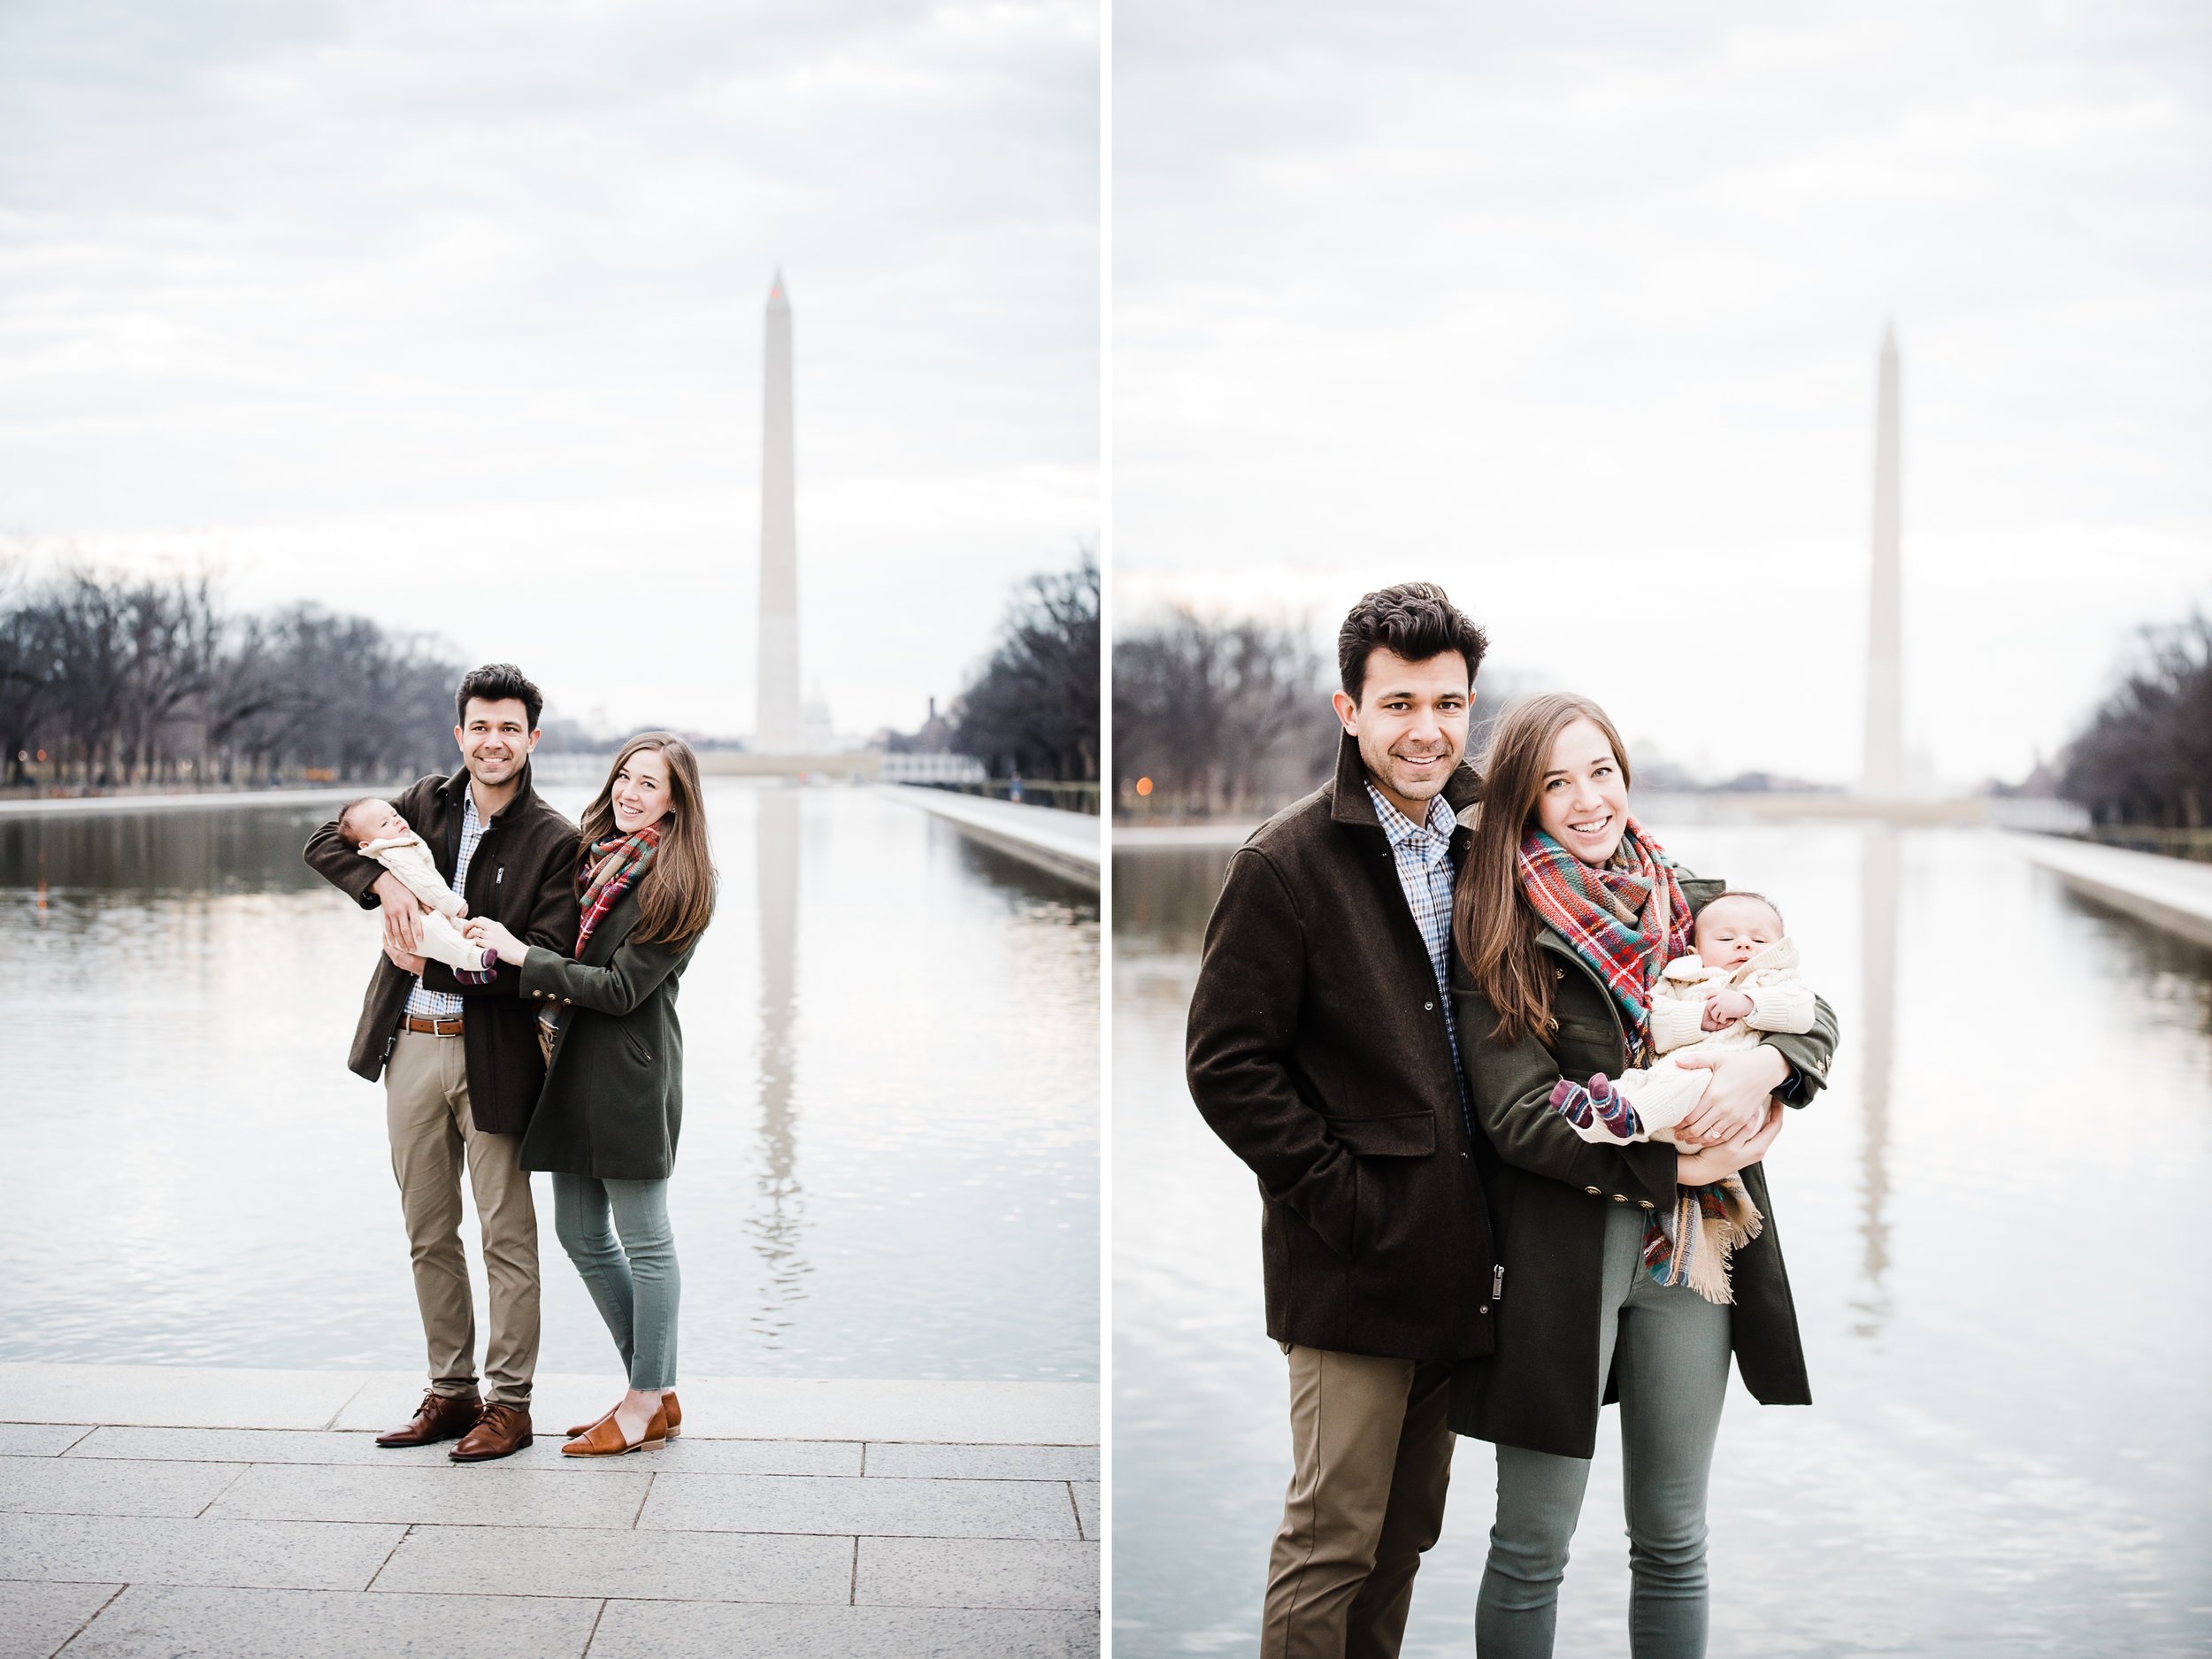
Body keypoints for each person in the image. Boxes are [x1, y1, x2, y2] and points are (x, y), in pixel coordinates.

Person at [1448, 692, 1839, 1658]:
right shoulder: (1495, 923)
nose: (1588, 800)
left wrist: (1766, 1068)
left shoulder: (1688, 897)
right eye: (1557, 781)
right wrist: (1682, 1156)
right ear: (1522, 800)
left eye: (1602, 772)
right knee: (1532, 1544)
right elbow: (1512, 1118)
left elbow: (1808, 1006)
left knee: (1672, 1541)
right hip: (1557, 1257)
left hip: (1691, 1259)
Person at [1187, 582, 1497, 1659]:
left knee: (1406, 1536)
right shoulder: (1285, 862)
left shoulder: (1494, 837)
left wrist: (1785, 1039)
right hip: (1354, 1265)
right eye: (1401, 704)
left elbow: (1666, 903)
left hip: (1471, 1260)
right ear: (1348, 710)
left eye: (1449, 704)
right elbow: (1226, 1068)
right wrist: (1347, 1203)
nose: (1428, 730)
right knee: (1331, 1543)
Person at [303, 664, 580, 1463]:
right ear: (460, 733)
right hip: (412, 1047)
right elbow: (327, 838)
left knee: (506, 1235)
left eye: (509, 728)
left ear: (532, 738)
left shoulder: (556, 839)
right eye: (480, 727)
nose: (493, 741)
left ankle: (511, 1403)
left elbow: (547, 958)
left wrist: (449, 962)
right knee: (428, 1229)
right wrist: (383, 881)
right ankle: (451, 1392)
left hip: (496, 1055)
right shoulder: (423, 802)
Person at [465, 732, 716, 1456]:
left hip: (628, 1078)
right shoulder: (597, 854)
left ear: (677, 800)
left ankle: (643, 1399)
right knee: (580, 1234)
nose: (631, 794)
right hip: (567, 1069)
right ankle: (655, 1387)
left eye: (650, 784)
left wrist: (523, 958)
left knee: (646, 1240)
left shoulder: (683, 879)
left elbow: (620, 988)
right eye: (625, 778)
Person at [1543, 890, 1816, 1305]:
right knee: (1642, 1081)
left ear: (1778, 950)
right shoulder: (1683, 979)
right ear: (1694, 949)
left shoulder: (1775, 981)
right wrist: (1702, 1016)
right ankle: (1597, 1115)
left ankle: (1627, 1120)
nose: (1744, 945)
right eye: (1727, 940)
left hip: (1722, 1112)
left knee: (1689, 1074)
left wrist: (1749, 1005)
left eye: (1759, 941)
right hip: (1674, 1099)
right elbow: (1662, 1025)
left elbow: (1805, 1015)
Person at [334, 797, 498, 974]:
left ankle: (461, 969)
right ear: (367, 845)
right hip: (414, 925)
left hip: (422, 919)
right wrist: (452, 904)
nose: (396, 820)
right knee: (438, 930)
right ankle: (472, 958)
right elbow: (423, 882)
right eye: (384, 824)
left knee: (453, 930)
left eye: (395, 814)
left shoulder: (402, 840)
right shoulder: (396, 852)